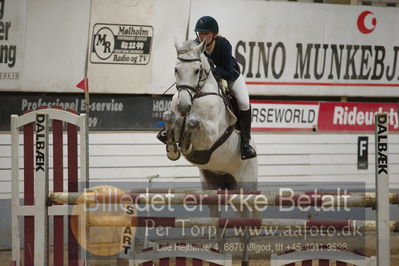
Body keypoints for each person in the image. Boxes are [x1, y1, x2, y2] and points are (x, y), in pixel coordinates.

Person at [157, 16, 256, 160]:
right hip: (207, 78)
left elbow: (228, 71)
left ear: (214, 35)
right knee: (178, 96)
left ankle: (246, 143)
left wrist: (211, 68)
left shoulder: (223, 44)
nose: (202, 37)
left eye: (206, 34)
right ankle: (169, 131)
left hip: (230, 76)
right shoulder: (195, 45)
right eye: (200, 33)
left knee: (244, 102)